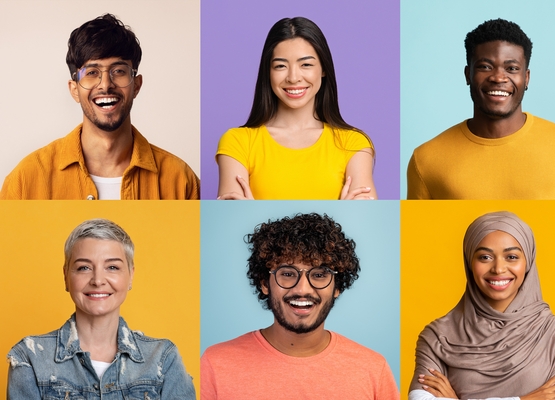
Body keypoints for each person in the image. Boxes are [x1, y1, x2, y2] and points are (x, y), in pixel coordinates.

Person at [0, 14, 199, 200]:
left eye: (118, 70)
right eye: (92, 72)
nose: (105, 84)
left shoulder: (181, 181)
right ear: (74, 89)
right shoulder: (25, 181)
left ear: (136, 85)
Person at [200, 213, 397, 399]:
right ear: (264, 283)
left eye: (319, 275)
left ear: (337, 287)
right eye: (287, 273)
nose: (303, 289)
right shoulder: (215, 364)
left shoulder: (373, 369)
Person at [406, 19, 555, 200]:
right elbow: (420, 236)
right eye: (485, 66)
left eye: (512, 68)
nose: (498, 77)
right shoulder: (425, 160)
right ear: (468, 74)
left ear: (527, 78)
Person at [6, 219, 195, 398]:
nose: (97, 280)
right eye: (84, 268)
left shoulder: (163, 357)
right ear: (66, 277)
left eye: (112, 267)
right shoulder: (30, 357)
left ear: (130, 276)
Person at [409, 211, 555, 399]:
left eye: (511, 257)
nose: (498, 268)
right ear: (470, 262)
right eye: (485, 257)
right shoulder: (437, 336)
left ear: (528, 262)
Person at [216, 17, 376, 200]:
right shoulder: (237, 142)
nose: (293, 77)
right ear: (268, 72)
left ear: (323, 69)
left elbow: (364, 223)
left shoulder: (353, 143)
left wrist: (255, 213)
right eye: (280, 66)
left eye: (306, 64)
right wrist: (339, 215)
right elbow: (234, 224)